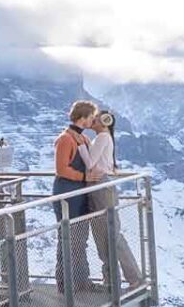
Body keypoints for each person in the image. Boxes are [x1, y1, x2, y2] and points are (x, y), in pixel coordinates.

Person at [86, 110, 144, 287]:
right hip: (95, 187)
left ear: (103, 122)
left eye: (95, 118)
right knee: (102, 235)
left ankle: (134, 278)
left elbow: (90, 163)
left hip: (100, 187)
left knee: (112, 234)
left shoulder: (102, 137)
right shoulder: (102, 138)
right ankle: (111, 280)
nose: (92, 120)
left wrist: (82, 149)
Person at [53, 100, 100, 290]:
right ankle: (65, 283)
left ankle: (81, 281)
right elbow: (61, 169)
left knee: (80, 238)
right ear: (83, 117)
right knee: (67, 237)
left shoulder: (84, 139)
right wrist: (84, 176)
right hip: (67, 192)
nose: (93, 120)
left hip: (80, 193)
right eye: (91, 117)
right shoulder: (66, 139)